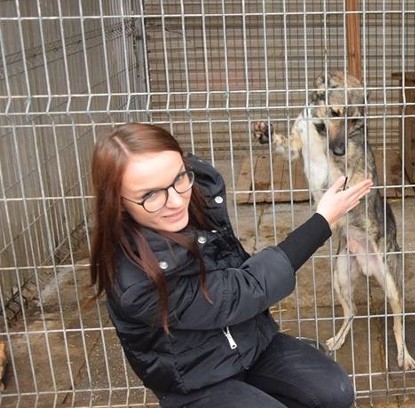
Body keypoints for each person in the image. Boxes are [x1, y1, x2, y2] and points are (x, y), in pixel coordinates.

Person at [89, 122, 373, 408]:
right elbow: (243, 290)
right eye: (150, 195)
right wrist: (322, 220)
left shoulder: (198, 201)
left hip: (250, 345)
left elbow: (238, 271)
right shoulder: (138, 281)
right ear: (119, 202)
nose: (176, 201)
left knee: (334, 391)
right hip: (196, 380)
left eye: (178, 178)